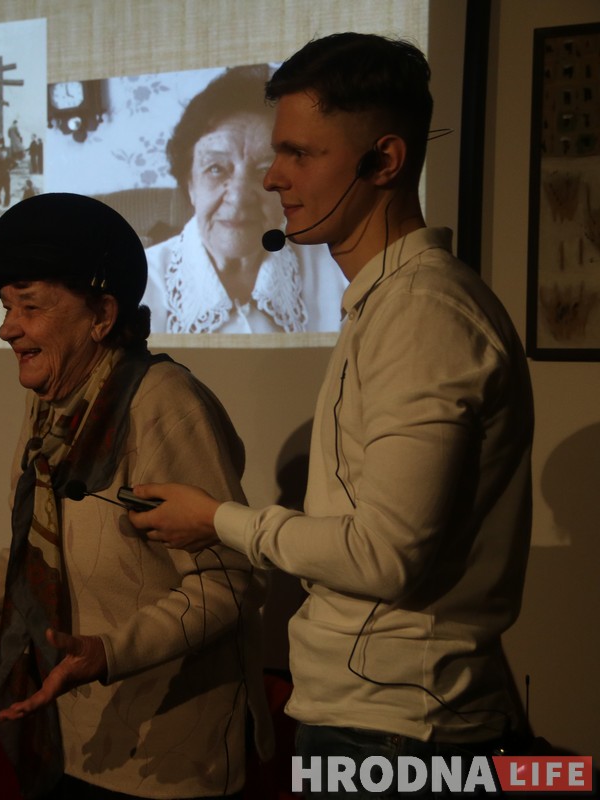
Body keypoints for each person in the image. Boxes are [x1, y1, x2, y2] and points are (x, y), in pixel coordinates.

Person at [129, 33, 535, 796]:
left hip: (402, 731)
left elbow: (385, 556)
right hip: (385, 720)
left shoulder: (420, 313)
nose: (273, 180)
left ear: (384, 161)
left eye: (298, 155)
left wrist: (218, 519)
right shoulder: (388, 301)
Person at [0, 192, 271, 799]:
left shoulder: (162, 404)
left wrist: (109, 652)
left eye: (29, 306)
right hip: (67, 736)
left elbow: (230, 584)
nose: (6, 327)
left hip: (165, 760)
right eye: (5, 306)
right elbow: (64, 540)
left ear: (101, 314)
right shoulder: (53, 401)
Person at [143, 64, 345, 335]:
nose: (238, 197)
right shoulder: (139, 283)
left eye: (264, 171)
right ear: (190, 183)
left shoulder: (337, 272)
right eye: (216, 168)